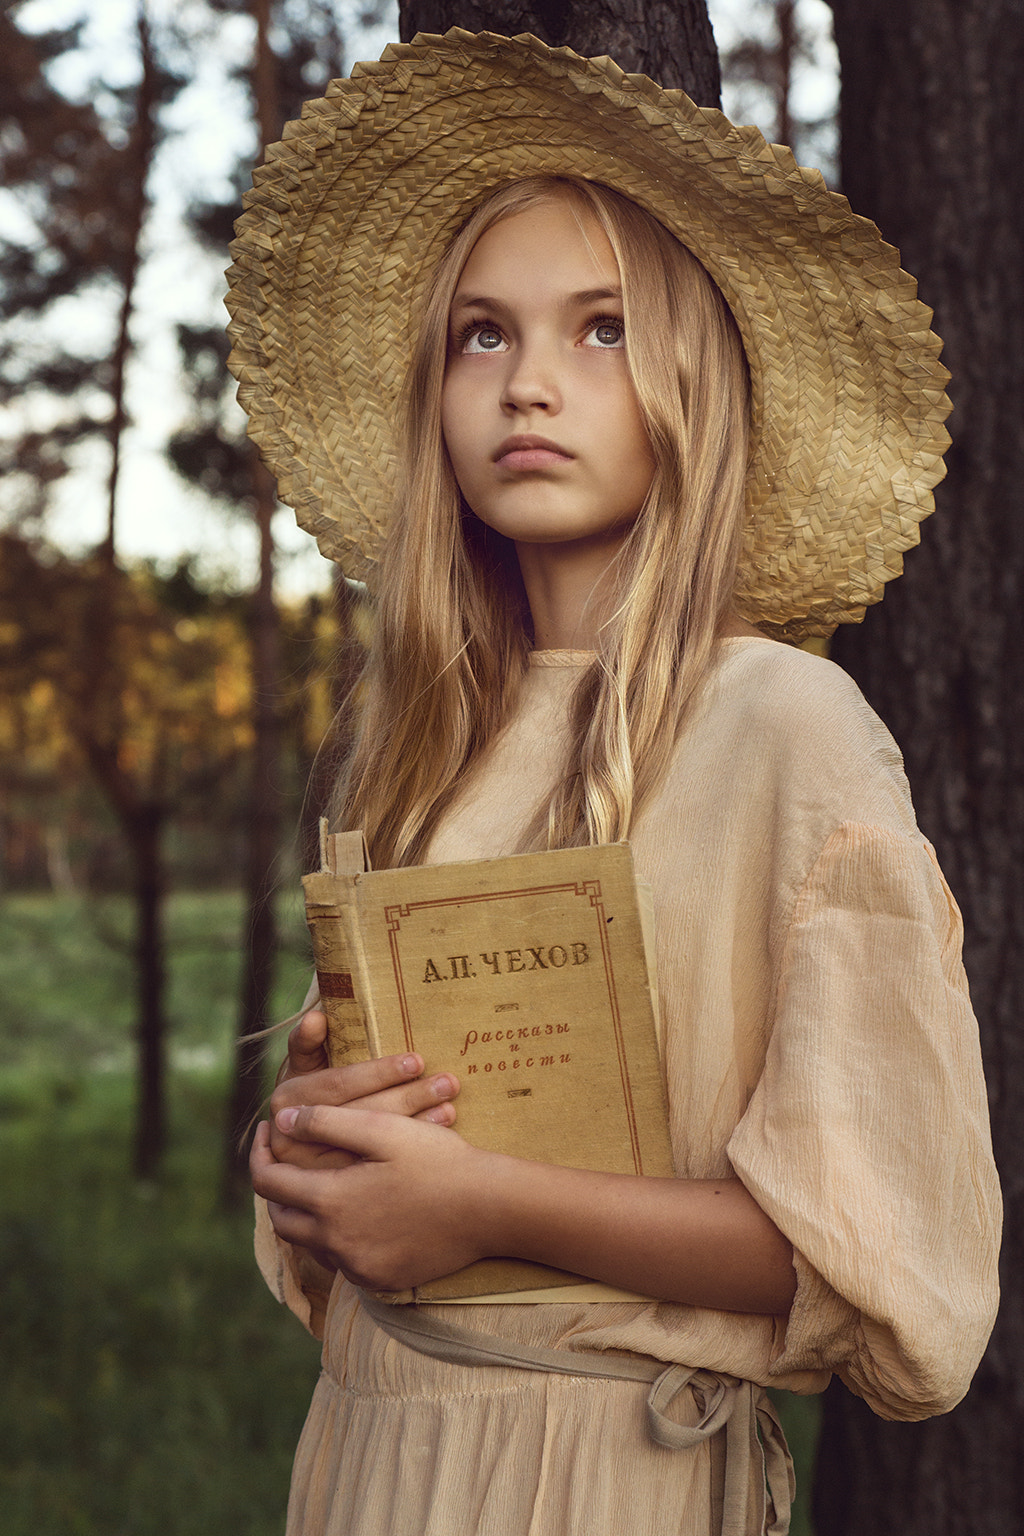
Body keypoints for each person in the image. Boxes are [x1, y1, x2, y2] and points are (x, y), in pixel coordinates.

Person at [227, 29, 1001, 1536]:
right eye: (480, 335)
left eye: (599, 332)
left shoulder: (787, 726)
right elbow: (393, 1170)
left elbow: (868, 1258)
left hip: (601, 1475)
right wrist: (312, 1141)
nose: (527, 386)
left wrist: (489, 1206)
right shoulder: (418, 739)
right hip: (376, 1452)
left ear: (694, 387)